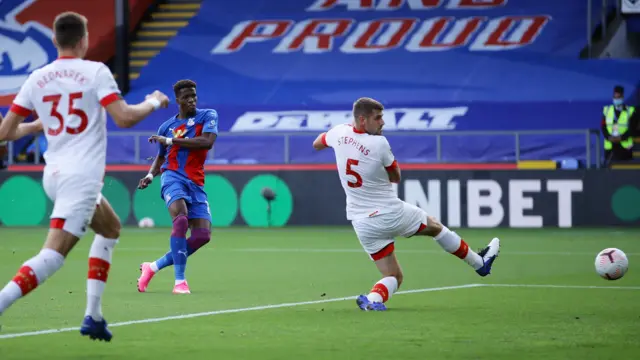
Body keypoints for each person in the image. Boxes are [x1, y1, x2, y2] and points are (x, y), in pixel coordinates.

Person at [0, 12, 169, 341]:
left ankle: (93, 316)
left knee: (110, 227)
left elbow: (6, 132)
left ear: (54, 41)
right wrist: (152, 102)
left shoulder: (38, 77)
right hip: (80, 178)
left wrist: (38, 124)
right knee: (52, 255)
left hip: (55, 173)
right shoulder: (95, 72)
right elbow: (123, 117)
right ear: (84, 40)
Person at [312, 97, 500, 311]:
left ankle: (373, 300)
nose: (382, 123)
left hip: (361, 223)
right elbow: (395, 177)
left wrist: (341, 146)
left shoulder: (339, 132)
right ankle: (479, 264)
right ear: (363, 120)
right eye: (378, 118)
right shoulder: (379, 143)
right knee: (435, 227)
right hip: (389, 212)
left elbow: (317, 143)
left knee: (393, 275)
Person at [136, 79, 218, 295]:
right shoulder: (167, 126)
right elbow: (160, 157)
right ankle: (180, 282)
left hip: (196, 182)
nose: (191, 100)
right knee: (180, 219)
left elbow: (206, 142)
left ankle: (152, 267)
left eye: (194, 96)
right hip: (172, 177)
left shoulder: (208, 116)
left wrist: (171, 141)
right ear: (177, 100)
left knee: (202, 236)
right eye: (186, 97)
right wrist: (150, 175)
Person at [602, 85, 637, 166]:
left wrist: (621, 137)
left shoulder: (630, 111)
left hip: (625, 149)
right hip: (610, 148)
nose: (616, 99)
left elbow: (633, 128)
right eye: (615, 97)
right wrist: (608, 137)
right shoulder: (607, 110)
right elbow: (603, 126)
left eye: (618, 97)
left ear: (622, 97)